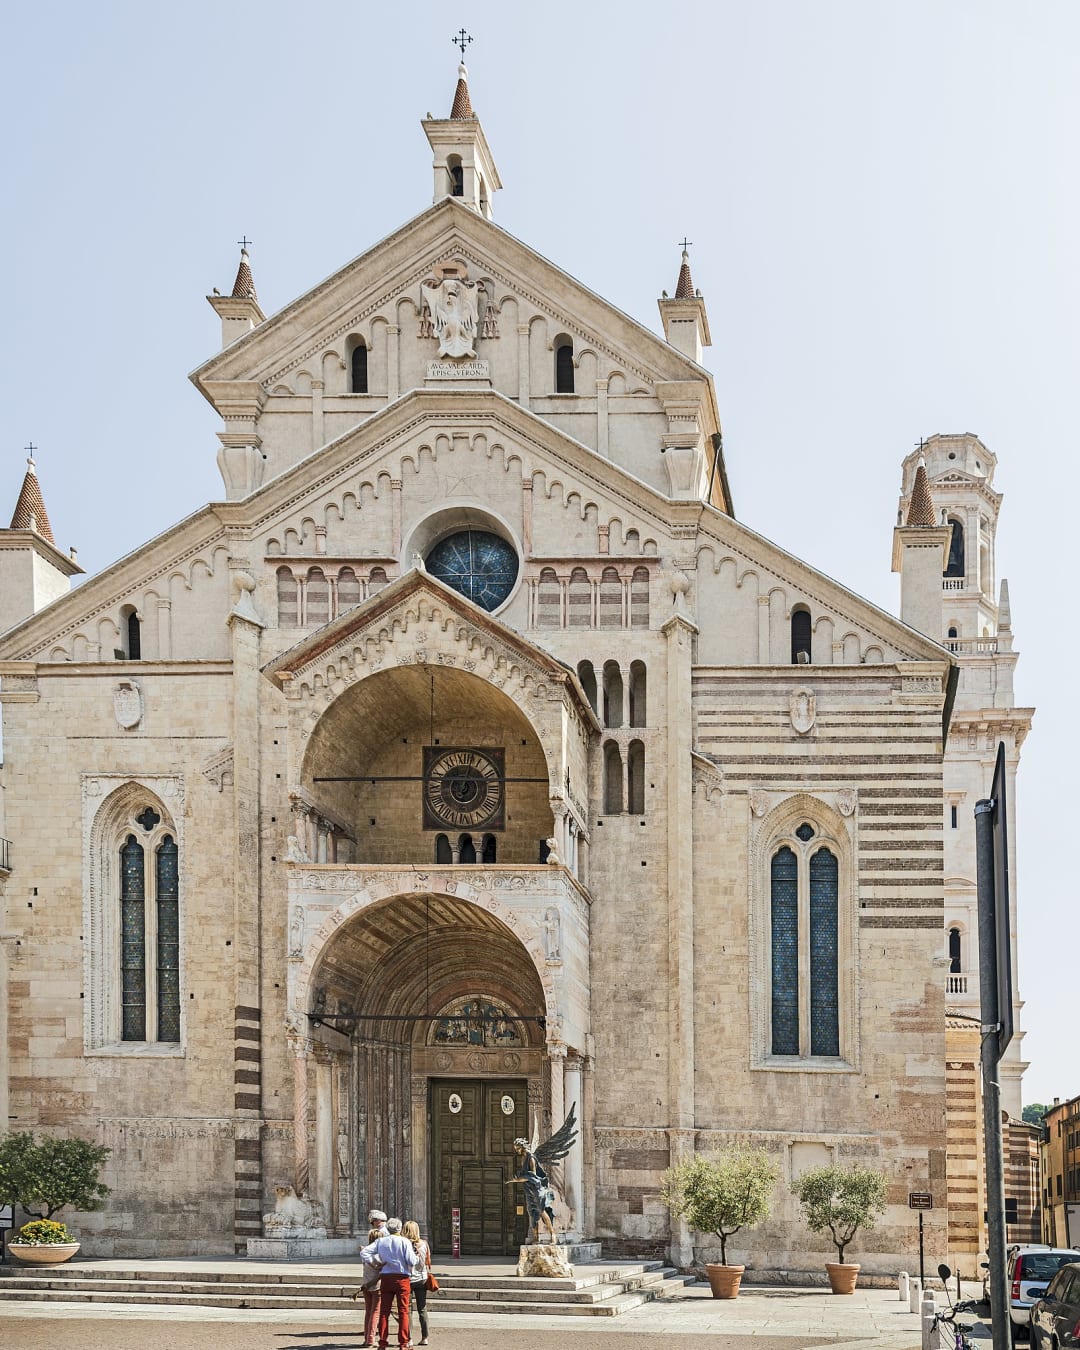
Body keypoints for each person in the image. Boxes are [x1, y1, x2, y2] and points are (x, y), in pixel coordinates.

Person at [360, 1216, 419, 1350]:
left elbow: (364, 1252)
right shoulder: (404, 1241)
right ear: (399, 1228)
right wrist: (416, 1257)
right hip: (402, 1277)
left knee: (384, 1311)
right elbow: (411, 1261)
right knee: (403, 1310)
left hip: (386, 1277)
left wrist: (376, 1263)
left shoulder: (381, 1241)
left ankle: (382, 1342)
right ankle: (403, 1343)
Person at [404, 1220, 432, 1347]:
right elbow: (428, 1260)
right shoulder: (424, 1243)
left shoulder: (403, 1244)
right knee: (422, 1308)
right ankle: (425, 1337)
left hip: (408, 1279)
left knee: (407, 1310)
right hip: (422, 1278)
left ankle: (408, 1338)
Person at [358, 1222, 384, 1349]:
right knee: (375, 1312)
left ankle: (366, 1337)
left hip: (365, 1284)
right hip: (376, 1285)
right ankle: (371, 1339)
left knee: (368, 1311)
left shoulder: (364, 1252)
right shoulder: (379, 1255)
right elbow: (381, 1269)